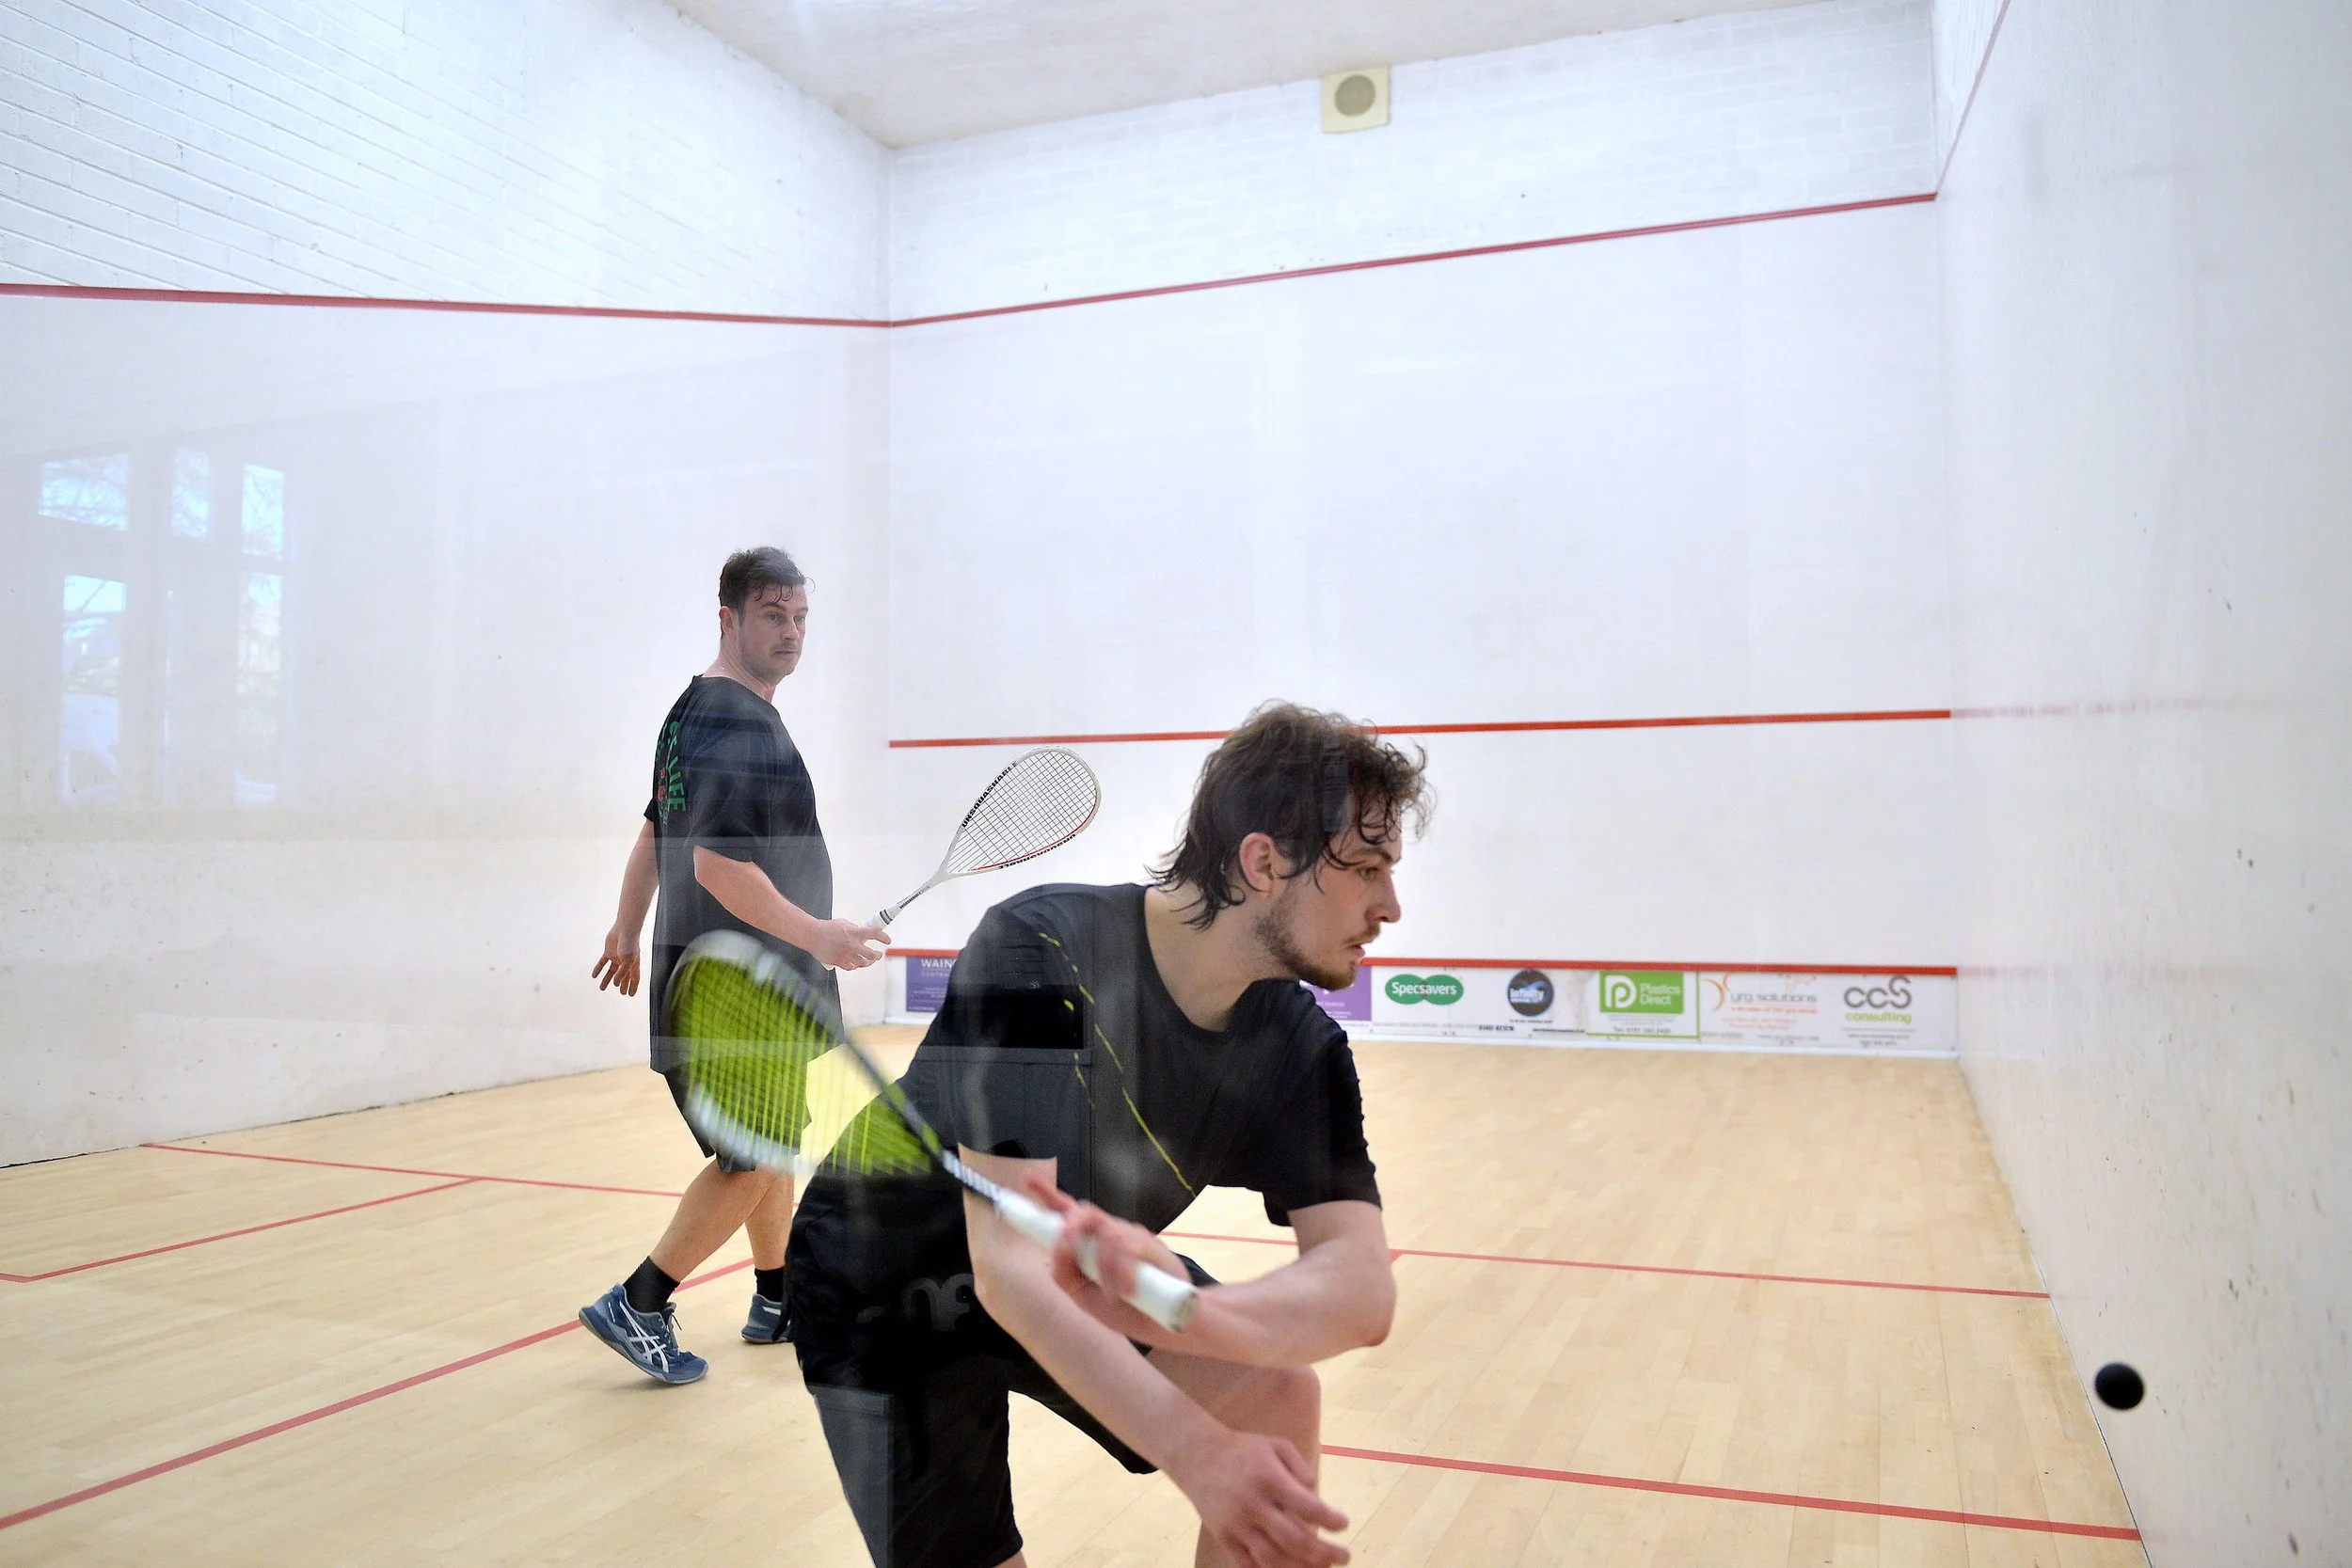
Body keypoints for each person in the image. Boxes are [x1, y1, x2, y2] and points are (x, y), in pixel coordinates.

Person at [786, 702, 1429, 1568]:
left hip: (1062, 1271)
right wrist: (1195, 1451)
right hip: (886, 1287)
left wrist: (1198, 1312)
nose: (1390, 904)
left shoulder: (1300, 1049)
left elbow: (1360, 1292)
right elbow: (1008, 1267)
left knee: (1276, 1398)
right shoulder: (1040, 951)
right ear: (1265, 862)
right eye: (1369, 869)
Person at [580, 546, 888, 1385]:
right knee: (752, 1155)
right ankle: (641, 1302)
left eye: (799, 618)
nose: (790, 634)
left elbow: (656, 827)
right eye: (771, 616)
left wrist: (624, 923)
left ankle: (777, 1293)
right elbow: (717, 864)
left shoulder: (692, 713)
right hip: (738, 982)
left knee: (773, 1137)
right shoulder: (731, 720)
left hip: (739, 976)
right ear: (729, 618)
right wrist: (819, 934)